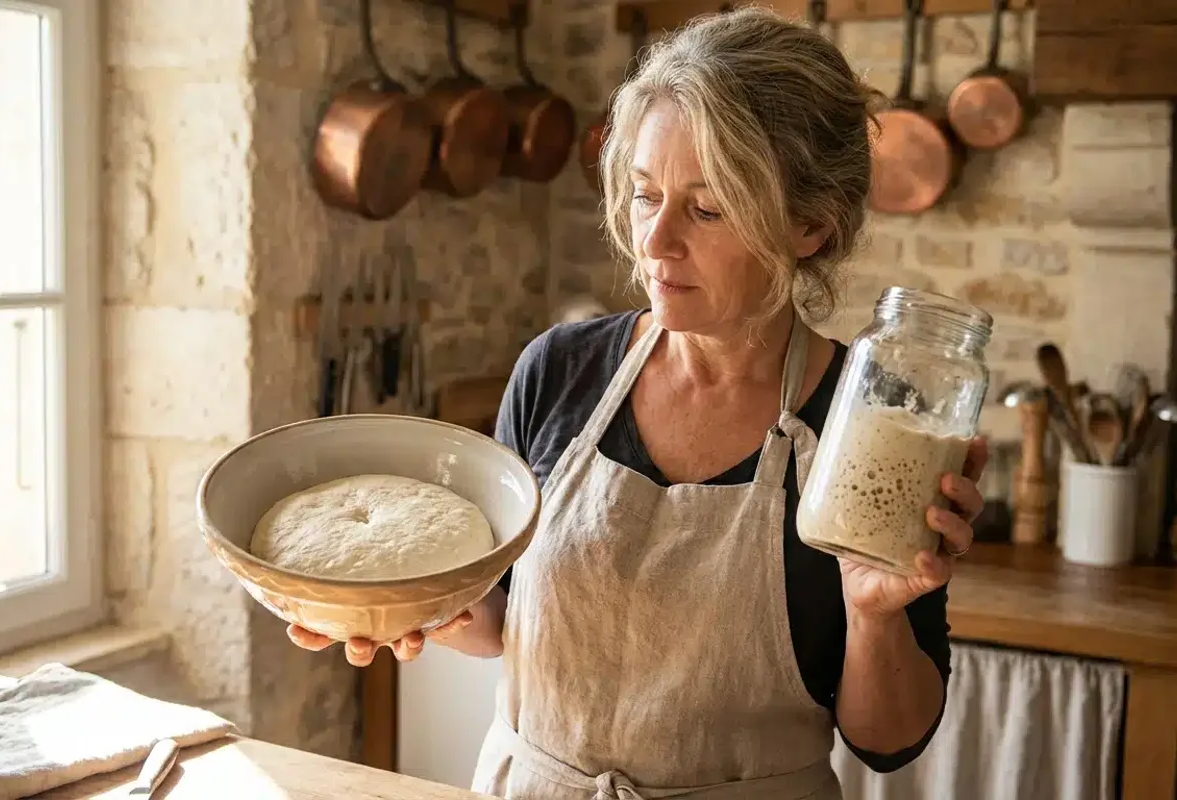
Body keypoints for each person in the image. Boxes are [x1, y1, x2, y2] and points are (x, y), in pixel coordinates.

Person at [289, 7, 987, 798]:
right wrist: (401, 606)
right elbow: (500, 617)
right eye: (646, 194)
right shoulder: (560, 371)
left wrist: (874, 612)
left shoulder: (863, 434)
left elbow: (887, 742)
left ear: (810, 227)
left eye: (707, 208)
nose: (655, 242)